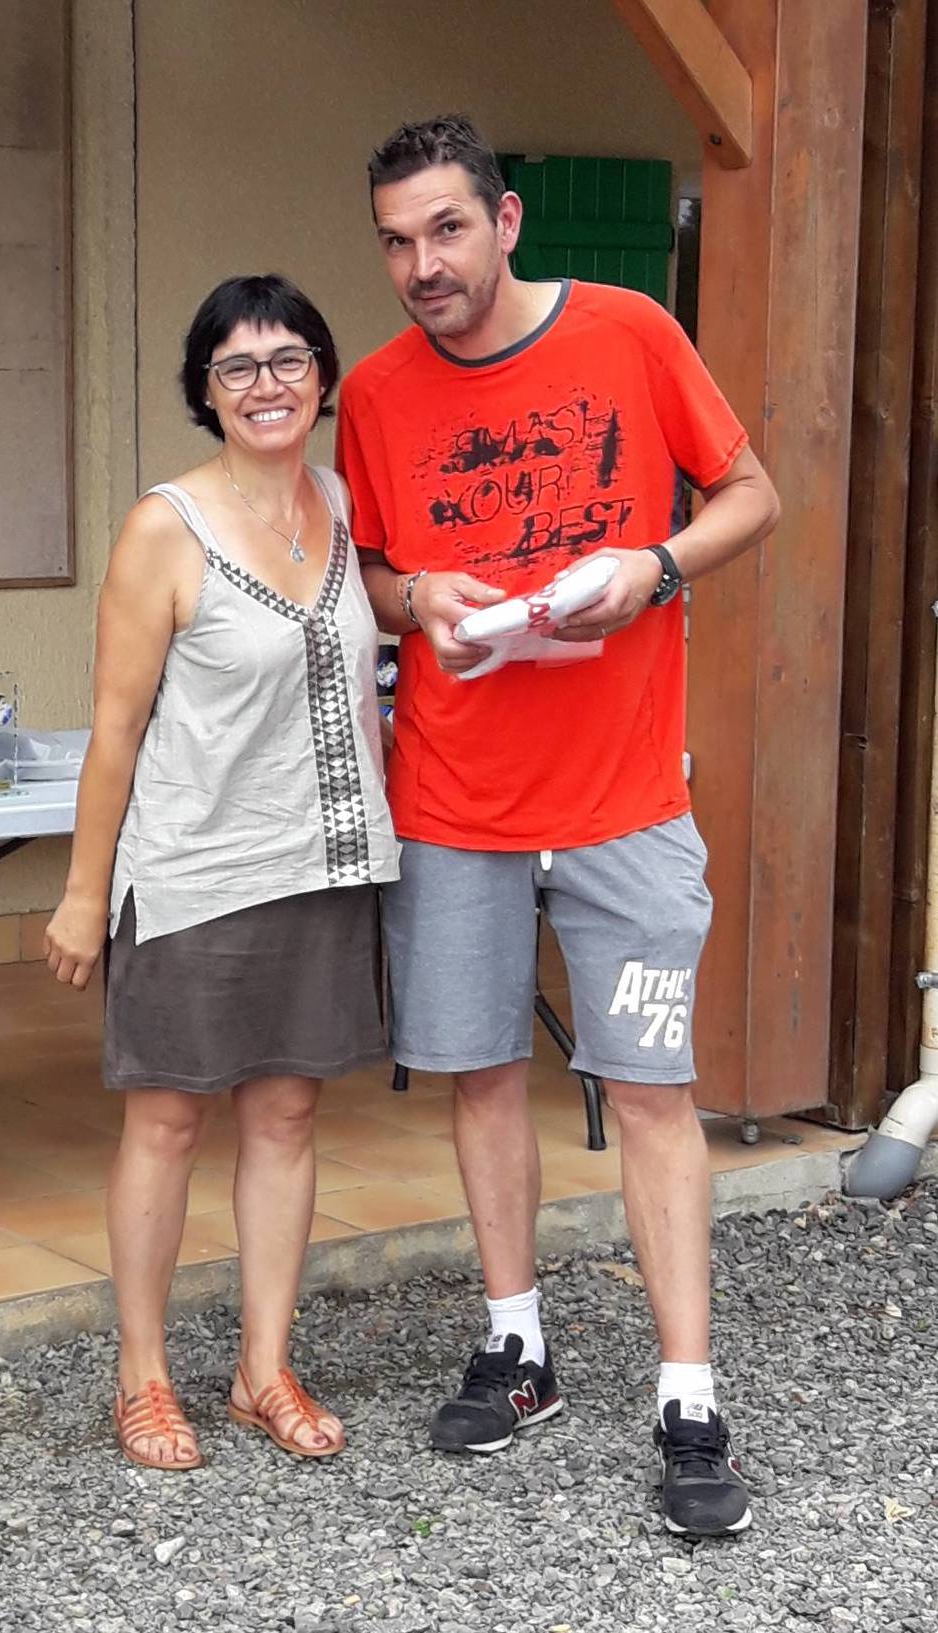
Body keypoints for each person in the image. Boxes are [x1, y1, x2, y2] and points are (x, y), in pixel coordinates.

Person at [336, 115, 779, 1537]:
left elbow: (753, 495)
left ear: (507, 221)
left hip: (624, 800)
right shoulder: (375, 393)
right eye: (396, 241)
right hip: (454, 799)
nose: (423, 264)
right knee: (477, 1073)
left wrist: (654, 565)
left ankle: (689, 1398)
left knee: (650, 1090)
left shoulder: (631, 331)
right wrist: (419, 599)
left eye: (447, 228)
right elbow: (372, 574)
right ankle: (515, 1345)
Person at [45, 274, 400, 1471]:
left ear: (322, 375)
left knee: (287, 1113)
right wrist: (84, 892)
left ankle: (262, 1369)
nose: (266, 384)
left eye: (288, 359)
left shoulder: (340, 504)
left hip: (321, 860)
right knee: (165, 1119)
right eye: (237, 366)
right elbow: (114, 728)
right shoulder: (166, 526)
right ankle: (142, 1377)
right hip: (193, 869)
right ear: (206, 389)